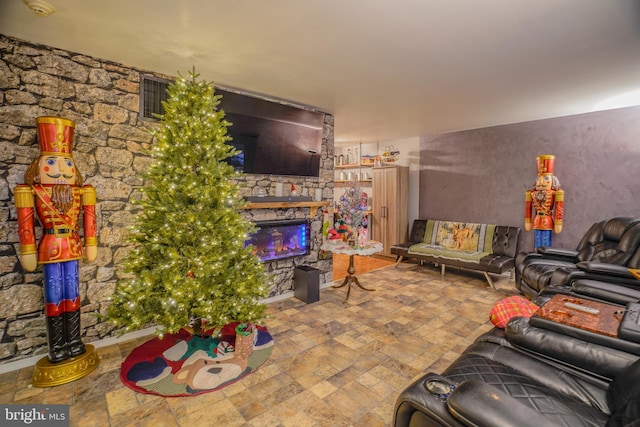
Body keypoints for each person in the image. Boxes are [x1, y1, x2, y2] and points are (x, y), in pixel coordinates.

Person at [14, 116, 98, 363]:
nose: (60, 169)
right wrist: (27, 249)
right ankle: (56, 345)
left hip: (72, 246)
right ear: (38, 166)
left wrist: (91, 243)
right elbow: (26, 224)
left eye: (66, 163)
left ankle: (73, 340)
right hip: (50, 245)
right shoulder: (32, 192)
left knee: (72, 293)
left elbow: (89, 220)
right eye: (51, 162)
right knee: (54, 295)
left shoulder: (82, 191)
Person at [525, 154, 564, 250]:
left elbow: (559, 207)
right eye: (539, 179)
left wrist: (558, 223)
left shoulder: (556, 193)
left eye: (546, 179)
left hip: (548, 219)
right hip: (537, 219)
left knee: (546, 243)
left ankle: (544, 260)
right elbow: (528, 207)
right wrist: (528, 220)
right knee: (537, 241)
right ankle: (535, 258)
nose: (541, 182)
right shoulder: (532, 193)